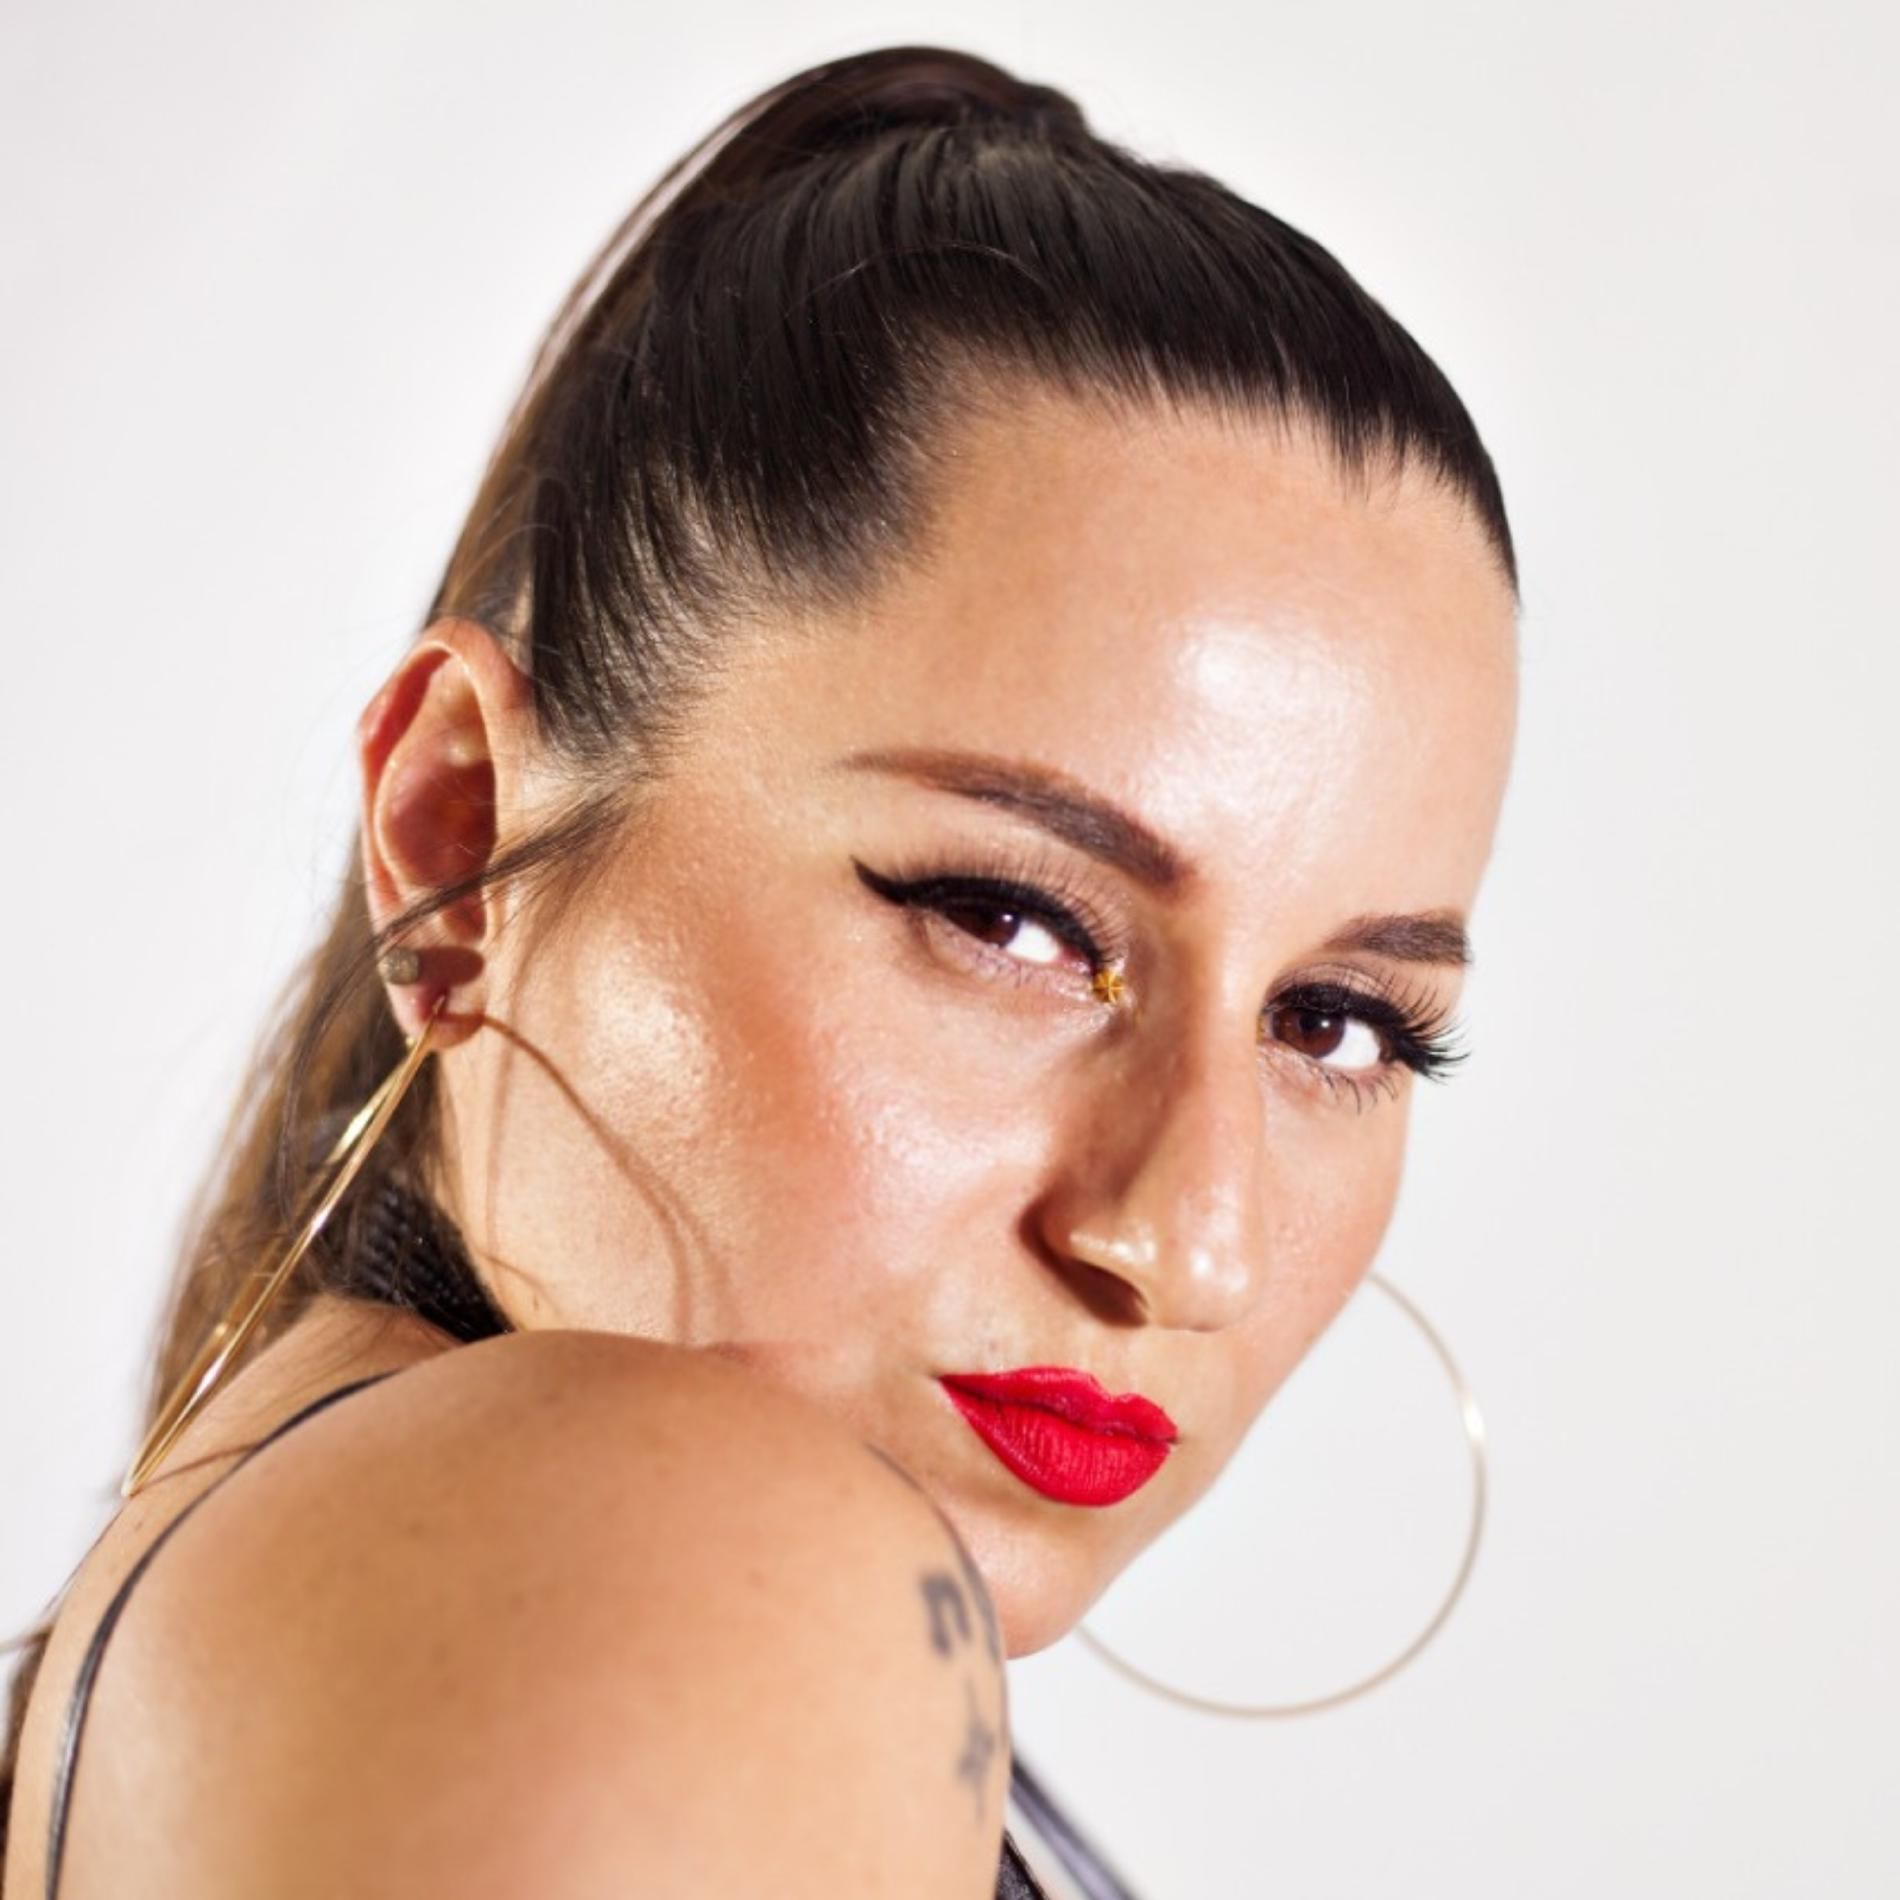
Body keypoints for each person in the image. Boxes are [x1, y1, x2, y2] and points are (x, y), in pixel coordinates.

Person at [0, 41, 1518, 1899]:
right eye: (1013, 920)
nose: (1190, 1242)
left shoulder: (293, 1570)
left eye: (1336, 1022)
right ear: (454, 836)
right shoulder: (669, 1560)